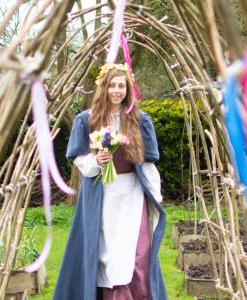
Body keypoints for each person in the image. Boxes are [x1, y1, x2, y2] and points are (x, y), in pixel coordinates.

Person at [53, 64, 167, 300]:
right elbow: (77, 157)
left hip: (132, 194)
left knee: (137, 250)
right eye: (112, 85)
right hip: (100, 194)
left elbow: (148, 163)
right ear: (103, 88)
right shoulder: (87, 120)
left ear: (128, 89)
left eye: (121, 86)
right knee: (105, 251)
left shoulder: (139, 120)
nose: (117, 91)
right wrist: (97, 159)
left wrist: (155, 194)